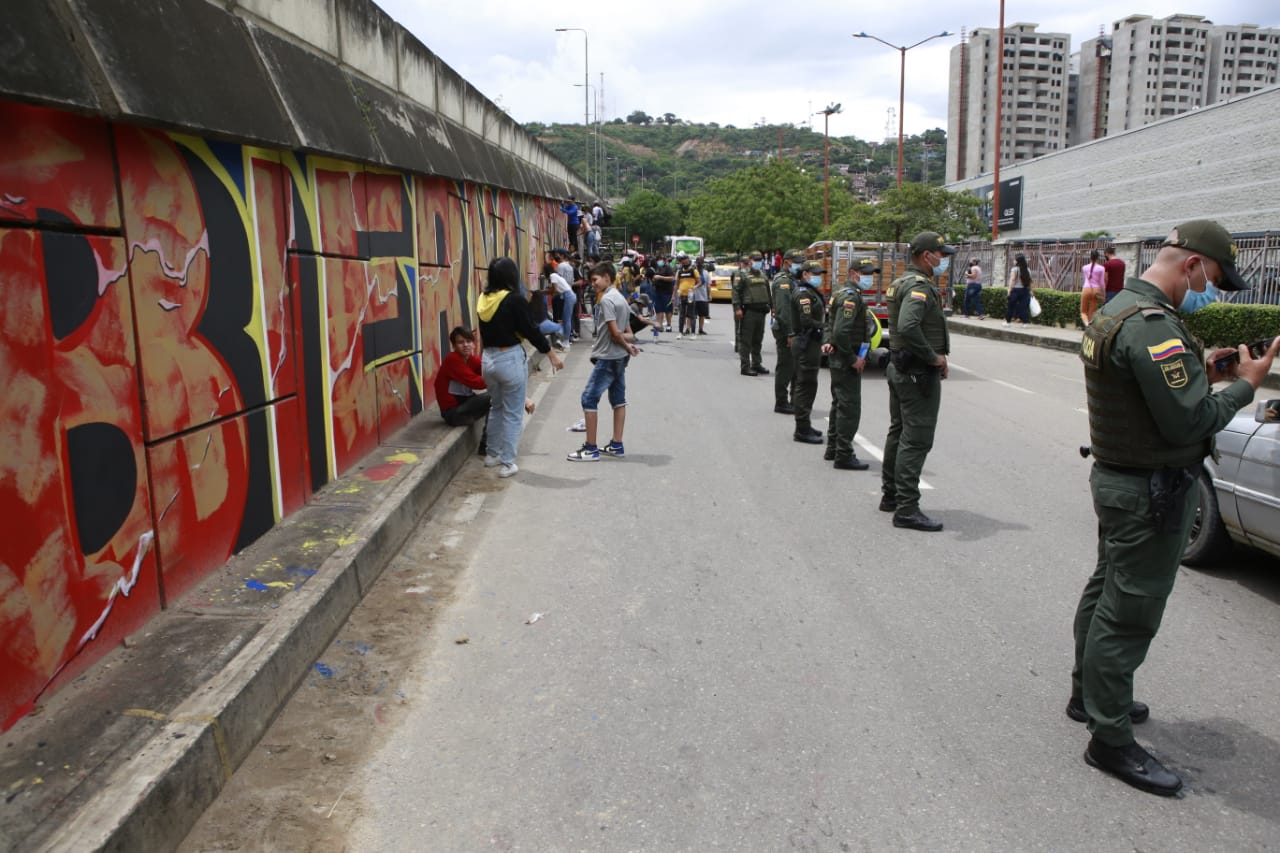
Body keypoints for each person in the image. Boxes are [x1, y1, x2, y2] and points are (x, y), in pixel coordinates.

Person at [1070, 219, 1279, 797]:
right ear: (1190, 265)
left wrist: (1205, 372)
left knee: (1106, 587)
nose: (1209, 289)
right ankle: (1108, 740)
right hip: (1149, 491)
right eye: (1211, 277)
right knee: (1130, 611)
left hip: (1119, 479)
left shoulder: (1116, 311)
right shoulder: (1153, 325)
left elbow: (1142, 387)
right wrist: (1245, 386)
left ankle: (1087, 695)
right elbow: (1188, 419)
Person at [881, 232, 954, 531]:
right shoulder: (918, 287)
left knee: (899, 432)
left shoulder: (901, 281)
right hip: (917, 373)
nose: (943, 260)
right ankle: (907, 508)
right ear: (927, 256)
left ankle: (891, 495)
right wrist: (933, 357)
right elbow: (908, 325)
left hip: (901, 368)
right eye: (941, 254)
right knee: (916, 438)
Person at [477, 257, 563, 478]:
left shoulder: (484, 299)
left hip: (488, 360)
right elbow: (531, 331)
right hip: (509, 359)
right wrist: (551, 355)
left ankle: (492, 455)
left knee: (496, 407)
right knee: (514, 413)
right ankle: (508, 463)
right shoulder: (514, 300)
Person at [567, 261, 640, 462]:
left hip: (608, 358)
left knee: (589, 398)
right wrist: (629, 346)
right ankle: (617, 444)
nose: (593, 284)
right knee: (618, 400)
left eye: (595, 280)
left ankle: (591, 448)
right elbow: (629, 334)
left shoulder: (607, 301)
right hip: (619, 358)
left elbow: (616, 333)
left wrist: (626, 346)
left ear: (607, 277)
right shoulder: (621, 299)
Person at [822, 258, 876, 469]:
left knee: (839, 404)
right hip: (846, 360)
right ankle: (843, 454)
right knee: (849, 408)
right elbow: (840, 331)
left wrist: (828, 342)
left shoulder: (841, 293)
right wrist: (853, 359)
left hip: (840, 359)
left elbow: (829, 324)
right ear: (854, 274)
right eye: (866, 274)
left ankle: (833, 448)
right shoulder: (850, 298)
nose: (870, 278)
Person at [789, 260, 827, 444]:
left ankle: (805, 424)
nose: (819, 277)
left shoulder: (811, 292)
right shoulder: (803, 294)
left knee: (810, 384)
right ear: (805, 274)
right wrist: (826, 327)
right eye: (815, 273)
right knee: (805, 385)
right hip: (805, 342)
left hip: (810, 342)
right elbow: (806, 321)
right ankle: (801, 429)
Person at [770, 250, 803, 414]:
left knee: (795, 367)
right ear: (787, 261)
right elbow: (784, 311)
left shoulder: (792, 280)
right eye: (797, 262)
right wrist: (790, 333)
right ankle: (781, 402)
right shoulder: (783, 282)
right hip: (786, 331)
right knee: (786, 367)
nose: (800, 265)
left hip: (794, 330)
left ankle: (794, 401)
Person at [733, 251, 773, 376]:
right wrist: (737, 308)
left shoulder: (763, 274)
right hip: (749, 311)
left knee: (758, 339)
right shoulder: (742, 274)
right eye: (756, 259)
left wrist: (773, 308)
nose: (758, 262)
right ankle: (745, 366)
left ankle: (757, 363)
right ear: (750, 261)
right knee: (746, 340)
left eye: (760, 259)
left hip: (761, 311)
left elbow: (768, 291)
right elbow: (735, 292)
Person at [674, 252, 699, 338]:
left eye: (684, 260)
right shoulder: (680, 272)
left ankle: (693, 333)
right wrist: (674, 295)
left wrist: (695, 287)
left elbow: (700, 282)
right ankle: (680, 332)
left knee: (691, 314)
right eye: (682, 261)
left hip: (690, 295)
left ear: (688, 260)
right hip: (682, 295)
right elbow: (676, 284)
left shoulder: (693, 270)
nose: (683, 262)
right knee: (682, 314)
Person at [1081, 249, 1106, 326]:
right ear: (1098, 258)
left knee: (1083, 311)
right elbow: (1102, 283)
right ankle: (1090, 325)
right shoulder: (1101, 268)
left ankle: (1086, 324)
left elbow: (1085, 279)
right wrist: (1103, 293)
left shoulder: (1084, 267)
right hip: (1096, 290)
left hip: (1086, 289)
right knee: (1092, 311)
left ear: (1090, 257)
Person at [1005, 253, 1032, 325]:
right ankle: (1025, 323)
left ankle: (1008, 322)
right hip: (1025, 290)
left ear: (1017, 261)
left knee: (1011, 306)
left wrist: (1009, 290)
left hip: (1016, 290)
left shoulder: (1014, 269)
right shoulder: (1028, 270)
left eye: (1015, 260)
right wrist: (1031, 291)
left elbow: (1012, 280)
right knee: (1024, 307)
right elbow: (1029, 281)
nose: (1014, 261)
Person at [651, 255, 676, 332]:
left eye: (660, 260)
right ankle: (659, 325)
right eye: (658, 260)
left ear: (664, 260)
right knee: (659, 309)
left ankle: (669, 325)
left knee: (668, 309)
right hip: (658, 291)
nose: (659, 261)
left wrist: (661, 277)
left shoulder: (668, 267)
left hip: (667, 292)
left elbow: (672, 278)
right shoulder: (657, 268)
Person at [693, 258, 711, 335]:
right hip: (693, 296)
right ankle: (690, 328)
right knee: (691, 315)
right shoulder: (692, 272)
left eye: (700, 263)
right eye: (698, 263)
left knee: (702, 315)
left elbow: (708, 285)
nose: (699, 264)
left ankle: (700, 329)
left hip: (703, 297)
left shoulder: (706, 273)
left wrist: (709, 294)